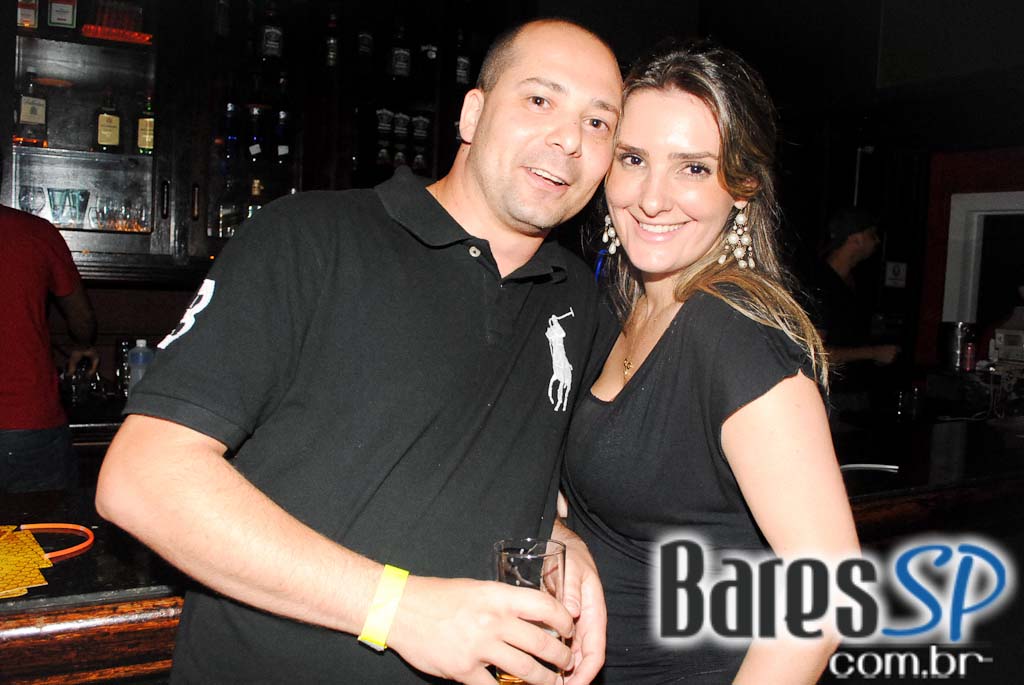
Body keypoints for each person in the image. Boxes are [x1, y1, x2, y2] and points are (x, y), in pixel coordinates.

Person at [96, 19, 620, 685]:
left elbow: (525, 473)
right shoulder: (309, 239)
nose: (570, 139)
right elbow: (143, 479)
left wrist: (561, 539)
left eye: (598, 123)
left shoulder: (579, 300)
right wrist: (397, 609)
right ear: (473, 113)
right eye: (540, 100)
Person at [561, 41, 860, 683]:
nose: (652, 198)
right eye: (633, 159)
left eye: (693, 168)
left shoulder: (734, 336)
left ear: (743, 187)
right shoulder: (621, 310)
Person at [1, 205, 98, 493]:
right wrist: (82, 344)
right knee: (44, 519)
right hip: (25, 418)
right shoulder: (34, 232)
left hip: (25, 420)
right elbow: (81, 318)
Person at [806, 207, 900, 368]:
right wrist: (874, 352)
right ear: (856, 238)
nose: (877, 241)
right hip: (831, 383)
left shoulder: (857, 281)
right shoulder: (819, 285)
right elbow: (815, 354)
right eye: (872, 234)